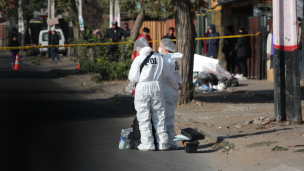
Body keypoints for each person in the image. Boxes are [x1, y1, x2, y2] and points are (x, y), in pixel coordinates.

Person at [128, 37, 169, 151]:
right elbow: (165, 73)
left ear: (139, 48)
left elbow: (133, 77)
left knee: (144, 116)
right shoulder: (159, 57)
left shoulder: (138, 59)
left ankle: (148, 144)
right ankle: (163, 143)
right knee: (159, 115)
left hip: (142, 87)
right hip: (157, 86)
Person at [158, 38, 183, 149]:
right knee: (168, 117)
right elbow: (178, 75)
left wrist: (177, 85)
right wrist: (179, 84)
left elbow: (170, 77)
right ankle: (169, 142)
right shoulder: (173, 59)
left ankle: (170, 143)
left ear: (165, 48)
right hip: (171, 91)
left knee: (167, 118)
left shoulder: (167, 60)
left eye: (160, 46)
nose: (159, 48)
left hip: (168, 91)